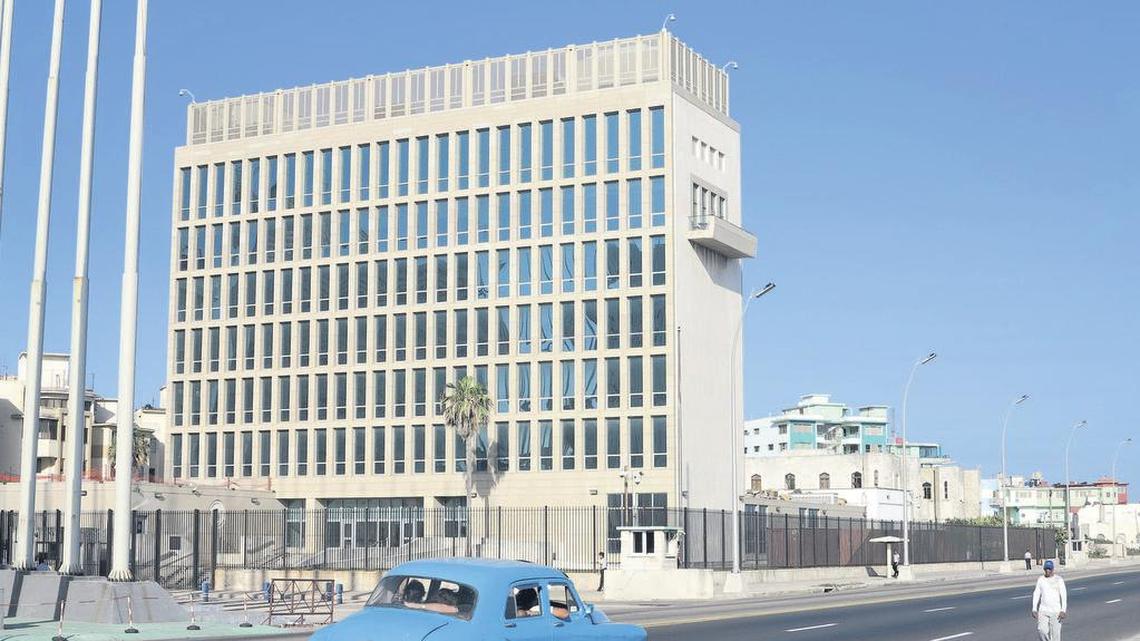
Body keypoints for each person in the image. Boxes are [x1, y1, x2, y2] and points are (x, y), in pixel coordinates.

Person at [1032, 559, 1067, 641]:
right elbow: (1036, 593)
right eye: (1046, 569)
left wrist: (1063, 610)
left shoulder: (1059, 579)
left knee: (1055, 635)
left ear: (1053, 569)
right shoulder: (1041, 579)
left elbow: (1063, 595)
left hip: (1056, 611)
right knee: (1042, 630)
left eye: (1049, 569)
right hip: (1043, 610)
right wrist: (1034, 609)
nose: (1048, 571)